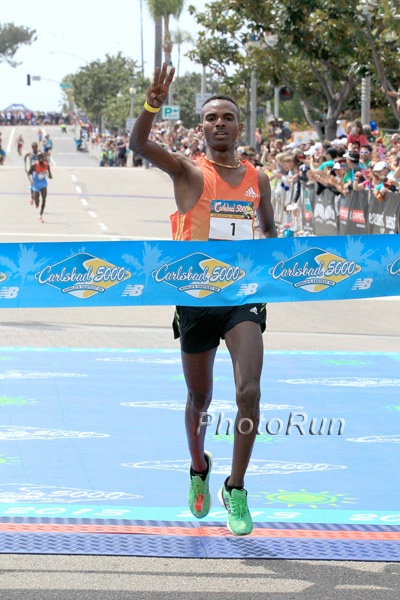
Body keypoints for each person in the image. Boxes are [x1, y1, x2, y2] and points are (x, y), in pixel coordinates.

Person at [130, 63, 277, 536]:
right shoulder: (190, 172)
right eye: (211, 117)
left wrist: (279, 268)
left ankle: (236, 488)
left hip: (242, 299)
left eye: (227, 117)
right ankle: (199, 468)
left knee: (248, 392)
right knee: (200, 397)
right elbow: (139, 146)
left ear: (240, 126)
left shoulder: (259, 178)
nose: (219, 123)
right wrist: (152, 104)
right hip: (194, 299)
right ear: (202, 127)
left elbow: (269, 232)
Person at [27, 152, 52, 223]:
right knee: (37, 200)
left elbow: (50, 175)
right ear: (37, 159)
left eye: (42, 158)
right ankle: (35, 200)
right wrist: (31, 179)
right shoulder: (35, 165)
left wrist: (49, 176)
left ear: (43, 159)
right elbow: (29, 173)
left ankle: (40, 215)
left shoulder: (47, 165)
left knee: (44, 198)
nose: (41, 160)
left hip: (43, 183)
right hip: (36, 183)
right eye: (39, 158)